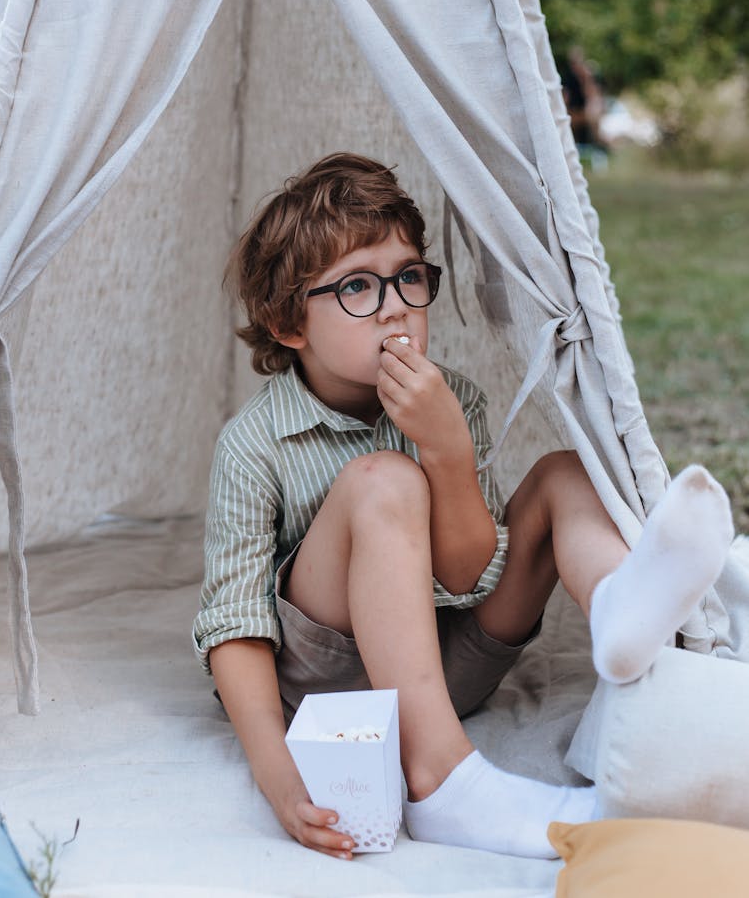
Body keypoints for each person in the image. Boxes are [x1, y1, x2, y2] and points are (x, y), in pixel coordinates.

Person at [193, 153, 733, 861]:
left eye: (409, 276)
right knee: (383, 480)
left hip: (448, 666)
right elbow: (235, 628)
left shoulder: (455, 401)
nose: (395, 305)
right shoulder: (253, 442)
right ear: (289, 322)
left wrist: (448, 449)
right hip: (334, 693)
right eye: (358, 285)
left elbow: (468, 575)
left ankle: (618, 609)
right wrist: (278, 774)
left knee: (563, 474)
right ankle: (442, 779)